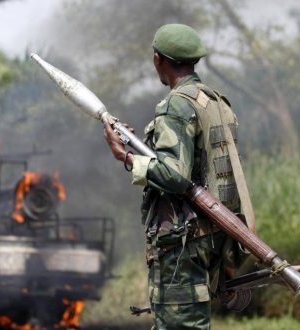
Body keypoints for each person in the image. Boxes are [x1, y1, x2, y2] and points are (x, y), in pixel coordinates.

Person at [102, 24, 249, 329]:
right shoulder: (217, 102)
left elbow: (175, 175)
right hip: (215, 235)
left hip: (183, 242)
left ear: (158, 59)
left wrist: (127, 158)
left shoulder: (175, 106)